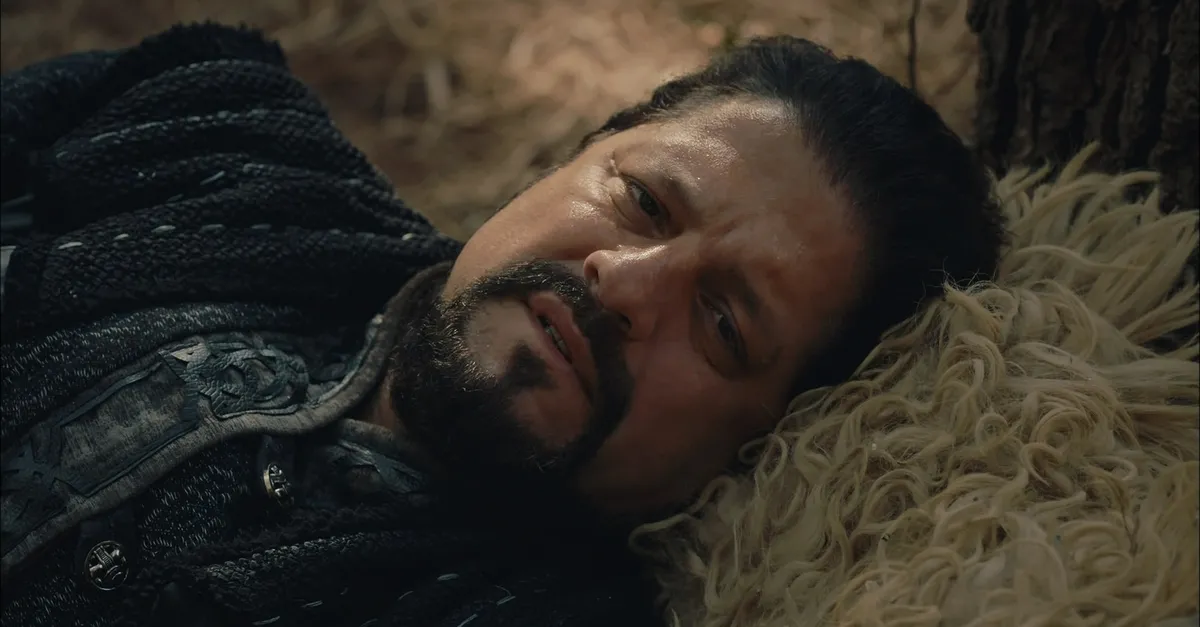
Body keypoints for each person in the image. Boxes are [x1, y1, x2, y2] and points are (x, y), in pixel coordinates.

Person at [0, 21, 1006, 627]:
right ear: (571, 156)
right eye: (644, 202)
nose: (625, 284)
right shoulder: (221, 129)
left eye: (722, 324)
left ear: (763, 440)